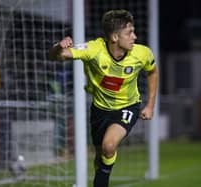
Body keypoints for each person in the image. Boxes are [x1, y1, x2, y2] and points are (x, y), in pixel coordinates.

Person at [49, 9, 159, 187]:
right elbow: (57, 56)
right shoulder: (93, 49)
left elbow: (153, 72)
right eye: (129, 32)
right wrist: (58, 46)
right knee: (101, 156)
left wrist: (150, 105)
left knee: (109, 146)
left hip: (128, 107)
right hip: (99, 110)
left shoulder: (142, 53)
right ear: (114, 37)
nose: (135, 37)